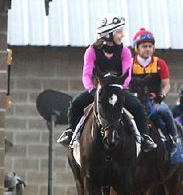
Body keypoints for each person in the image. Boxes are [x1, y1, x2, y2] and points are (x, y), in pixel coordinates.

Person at [57, 14, 156, 152]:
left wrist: (122, 86)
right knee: (76, 104)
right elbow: (86, 74)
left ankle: (144, 137)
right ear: (109, 34)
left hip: (118, 89)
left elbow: (127, 74)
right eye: (119, 32)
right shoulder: (91, 51)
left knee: (137, 107)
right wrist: (91, 88)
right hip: (98, 90)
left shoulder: (125, 51)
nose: (122, 35)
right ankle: (71, 132)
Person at [129, 27, 178, 150]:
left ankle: (172, 137)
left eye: (150, 46)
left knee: (165, 111)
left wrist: (161, 96)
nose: (148, 49)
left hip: (154, 100)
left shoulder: (159, 63)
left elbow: (166, 84)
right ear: (136, 48)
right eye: (144, 46)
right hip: (134, 100)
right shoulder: (129, 64)